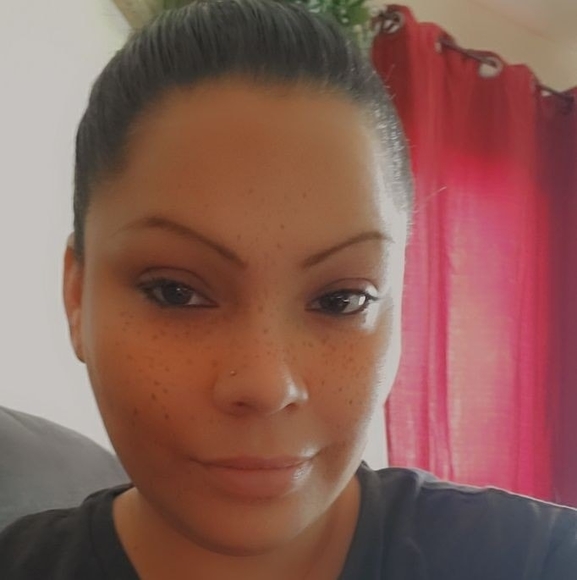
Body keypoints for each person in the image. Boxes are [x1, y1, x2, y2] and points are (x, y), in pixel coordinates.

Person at [0, 0, 576, 578]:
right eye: (175, 292)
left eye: (341, 300)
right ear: (77, 297)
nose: (265, 385)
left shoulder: (536, 558)